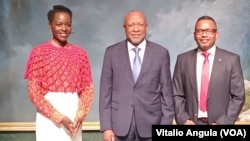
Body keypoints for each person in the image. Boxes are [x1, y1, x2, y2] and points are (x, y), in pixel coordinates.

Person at [99, 10, 174, 141]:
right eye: (131, 25)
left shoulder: (161, 53)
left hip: (151, 125)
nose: (135, 29)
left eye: (139, 24)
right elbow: (105, 93)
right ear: (124, 28)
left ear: (146, 27)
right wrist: (106, 127)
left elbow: (167, 95)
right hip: (118, 127)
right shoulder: (111, 53)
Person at [24, 5, 94, 141]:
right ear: (50, 25)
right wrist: (59, 117)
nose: (64, 29)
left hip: (74, 114)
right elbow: (33, 92)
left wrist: (80, 115)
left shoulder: (81, 54)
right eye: (59, 24)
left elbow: (87, 89)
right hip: (48, 117)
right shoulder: (39, 53)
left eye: (68, 25)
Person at [173, 15, 245, 125]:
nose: (204, 35)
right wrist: (184, 120)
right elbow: (176, 94)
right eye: (199, 31)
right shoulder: (182, 60)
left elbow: (238, 96)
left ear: (216, 34)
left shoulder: (231, 60)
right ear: (194, 35)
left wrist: (222, 122)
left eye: (208, 31)